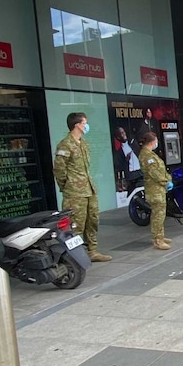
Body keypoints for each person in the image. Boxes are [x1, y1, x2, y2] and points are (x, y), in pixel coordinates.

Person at [54, 112, 112, 262]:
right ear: (77, 125)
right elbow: (59, 170)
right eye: (84, 123)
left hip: (89, 189)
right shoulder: (65, 145)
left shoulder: (84, 143)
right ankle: (74, 256)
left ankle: (92, 251)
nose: (86, 126)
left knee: (92, 220)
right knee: (76, 224)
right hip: (75, 193)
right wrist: (67, 187)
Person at [138, 132, 173, 250]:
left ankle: (160, 236)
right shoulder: (147, 156)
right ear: (152, 142)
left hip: (159, 189)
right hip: (155, 190)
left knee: (160, 214)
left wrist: (168, 179)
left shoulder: (150, 154)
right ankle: (158, 240)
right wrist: (165, 182)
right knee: (158, 214)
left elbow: (160, 171)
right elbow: (154, 173)